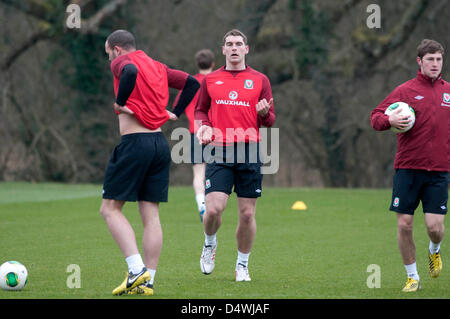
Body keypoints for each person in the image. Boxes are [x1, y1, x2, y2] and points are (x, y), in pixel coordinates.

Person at [100, 29, 200, 296]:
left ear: (116, 49)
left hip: (135, 145)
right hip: (158, 146)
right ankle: (147, 282)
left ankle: (135, 269)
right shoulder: (156, 65)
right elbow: (192, 83)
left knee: (109, 209)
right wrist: (175, 113)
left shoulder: (121, 62)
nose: (109, 58)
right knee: (151, 215)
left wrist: (119, 103)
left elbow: (130, 73)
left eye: (108, 52)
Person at [195, 29, 276, 282]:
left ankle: (242, 265)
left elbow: (270, 120)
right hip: (220, 148)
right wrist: (204, 126)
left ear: (246, 49)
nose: (233, 48)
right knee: (213, 209)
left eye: (238, 44)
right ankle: (210, 243)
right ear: (223, 50)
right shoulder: (211, 80)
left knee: (247, 214)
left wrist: (264, 114)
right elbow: (200, 110)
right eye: (229, 44)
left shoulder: (260, 80)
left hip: (249, 150)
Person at [370, 39, 449, 292]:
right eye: (430, 60)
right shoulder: (405, 91)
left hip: (439, 170)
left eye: (438, 59)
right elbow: (375, 117)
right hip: (408, 168)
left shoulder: (449, 92)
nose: (435, 64)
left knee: (435, 228)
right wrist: (389, 118)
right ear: (420, 61)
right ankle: (412, 277)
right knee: (404, 223)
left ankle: (434, 250)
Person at [173, 49, 215, 221]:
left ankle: (201, 205)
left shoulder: (190, 83)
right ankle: (212, 207)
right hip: (216, 132)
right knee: (216, 172)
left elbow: (177, 109)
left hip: (195, 132)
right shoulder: (218, 81)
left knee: (199, 173)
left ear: (197, 65)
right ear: (213, 64)